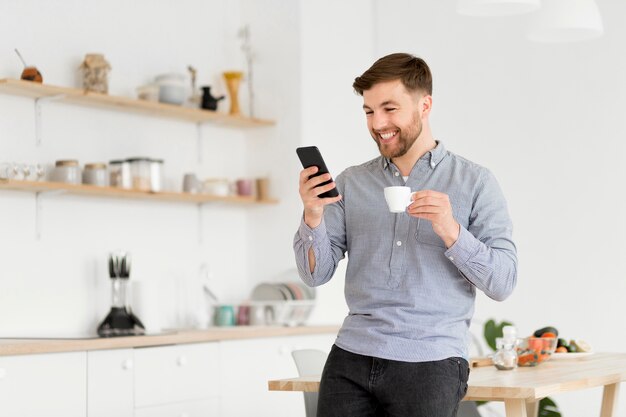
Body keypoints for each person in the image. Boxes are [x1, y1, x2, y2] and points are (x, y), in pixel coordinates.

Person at [293, 53, 517, 417]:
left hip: (430, 362)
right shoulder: (351, 182)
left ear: (424, 105)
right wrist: (313, 214)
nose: (378, 123)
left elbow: (503, 281)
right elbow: (315, 274)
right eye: (368, 111)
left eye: (389, 108)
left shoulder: (475, 182)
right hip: (351, 357)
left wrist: (451, 229)